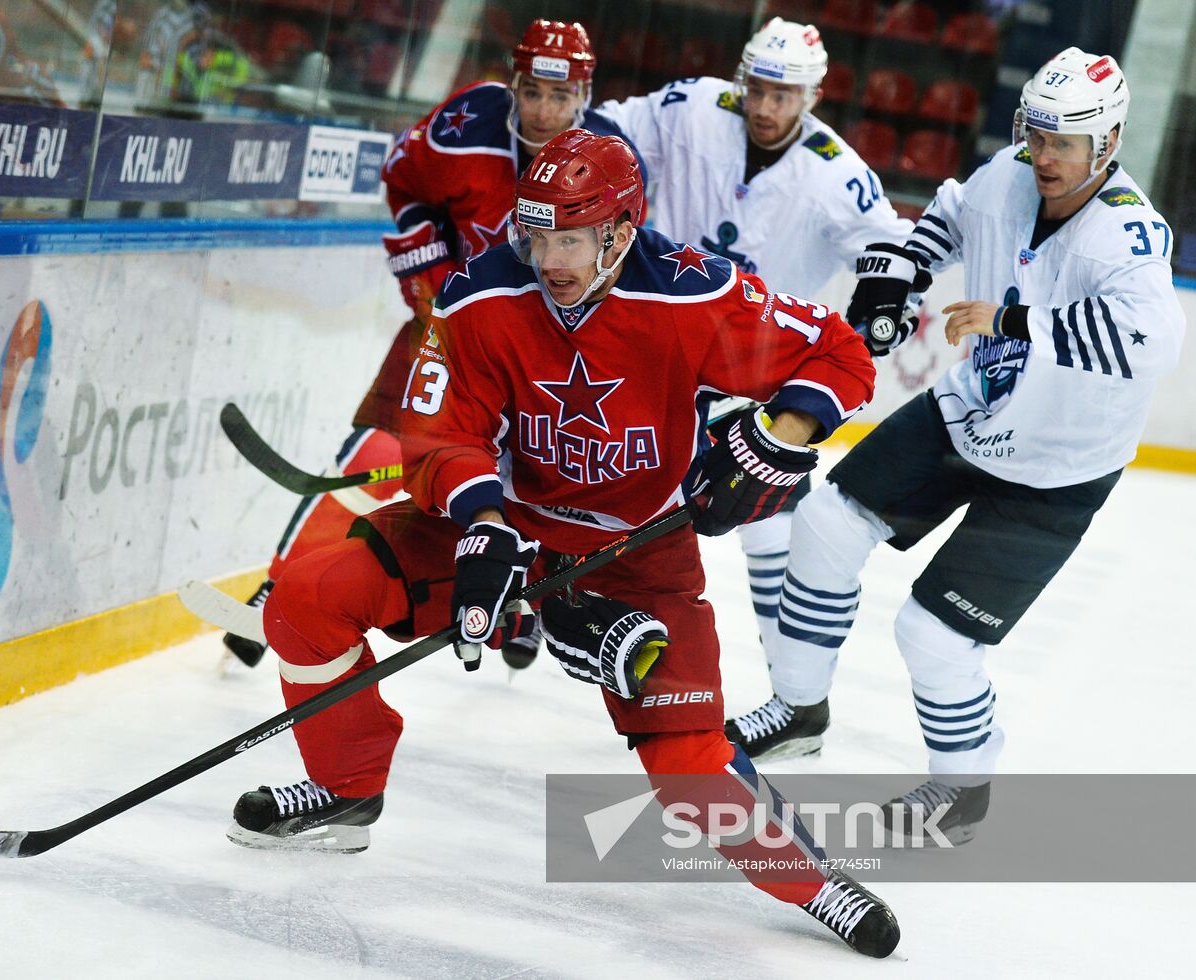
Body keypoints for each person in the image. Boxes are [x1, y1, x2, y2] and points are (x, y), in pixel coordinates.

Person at [227, 130, 899, 958]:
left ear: (619, 231)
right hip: (502, 529)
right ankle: (344, 789)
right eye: (536, 234)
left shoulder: (693, 295)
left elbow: (840, 353)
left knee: (690, 771)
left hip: (639, 552)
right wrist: (481, 521)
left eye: (569, 238)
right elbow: (438, 434)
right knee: (307, 597)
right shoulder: (479, 296)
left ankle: (815, 880)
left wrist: (778, 435)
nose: (548, 257)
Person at [723, 48, 1185, 842]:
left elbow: (1151, 343)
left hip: (1056, 470)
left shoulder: (1131, 235)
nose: (1041, 156)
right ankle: (800, 707)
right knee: (826, 521)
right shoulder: (1009, 173)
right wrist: (896, 273)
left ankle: (963, 786)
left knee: (932, 636)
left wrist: (1013, 322)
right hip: (968, 414)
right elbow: (943, 221)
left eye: (1061, 143)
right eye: (1034, 135)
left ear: (1106, 145)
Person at [223, 20, 644, 673]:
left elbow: (624, 261)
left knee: (530, 479)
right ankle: (281, 582)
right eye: (533, 92)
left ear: (585, 93)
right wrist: (426, 266)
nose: (544, 110)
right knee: (374, 450)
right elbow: (403, 178)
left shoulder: (611, 157)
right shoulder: (466, 122)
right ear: (514, 81)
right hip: (446, 324)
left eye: (561, 98)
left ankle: (524, 603)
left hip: (541, 352)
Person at [596, 17, 912, 683]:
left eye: (784, 96)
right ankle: (542, 606)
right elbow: (607, 126)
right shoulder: (692, 106)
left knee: (769, 533)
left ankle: (791, 688)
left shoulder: (838, 174)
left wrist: (883, 306)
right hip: (647, 348)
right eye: (758, 89)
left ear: (814, 96)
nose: (765, 108)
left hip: (751, 377)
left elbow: (890, 252)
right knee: (590, 481)